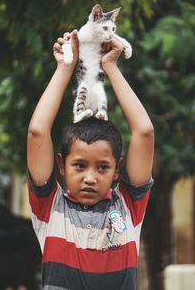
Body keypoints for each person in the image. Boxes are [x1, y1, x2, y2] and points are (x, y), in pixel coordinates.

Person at [27, 30, 154, 290]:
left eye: (103, 167)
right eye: (79, 165)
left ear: (117, 170)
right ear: (61, 166)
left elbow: (144, 132)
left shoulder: (128, 206)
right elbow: (37, 132)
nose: (90, 177)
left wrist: (110, 66)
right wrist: (65, 67)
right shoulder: (50, 208)